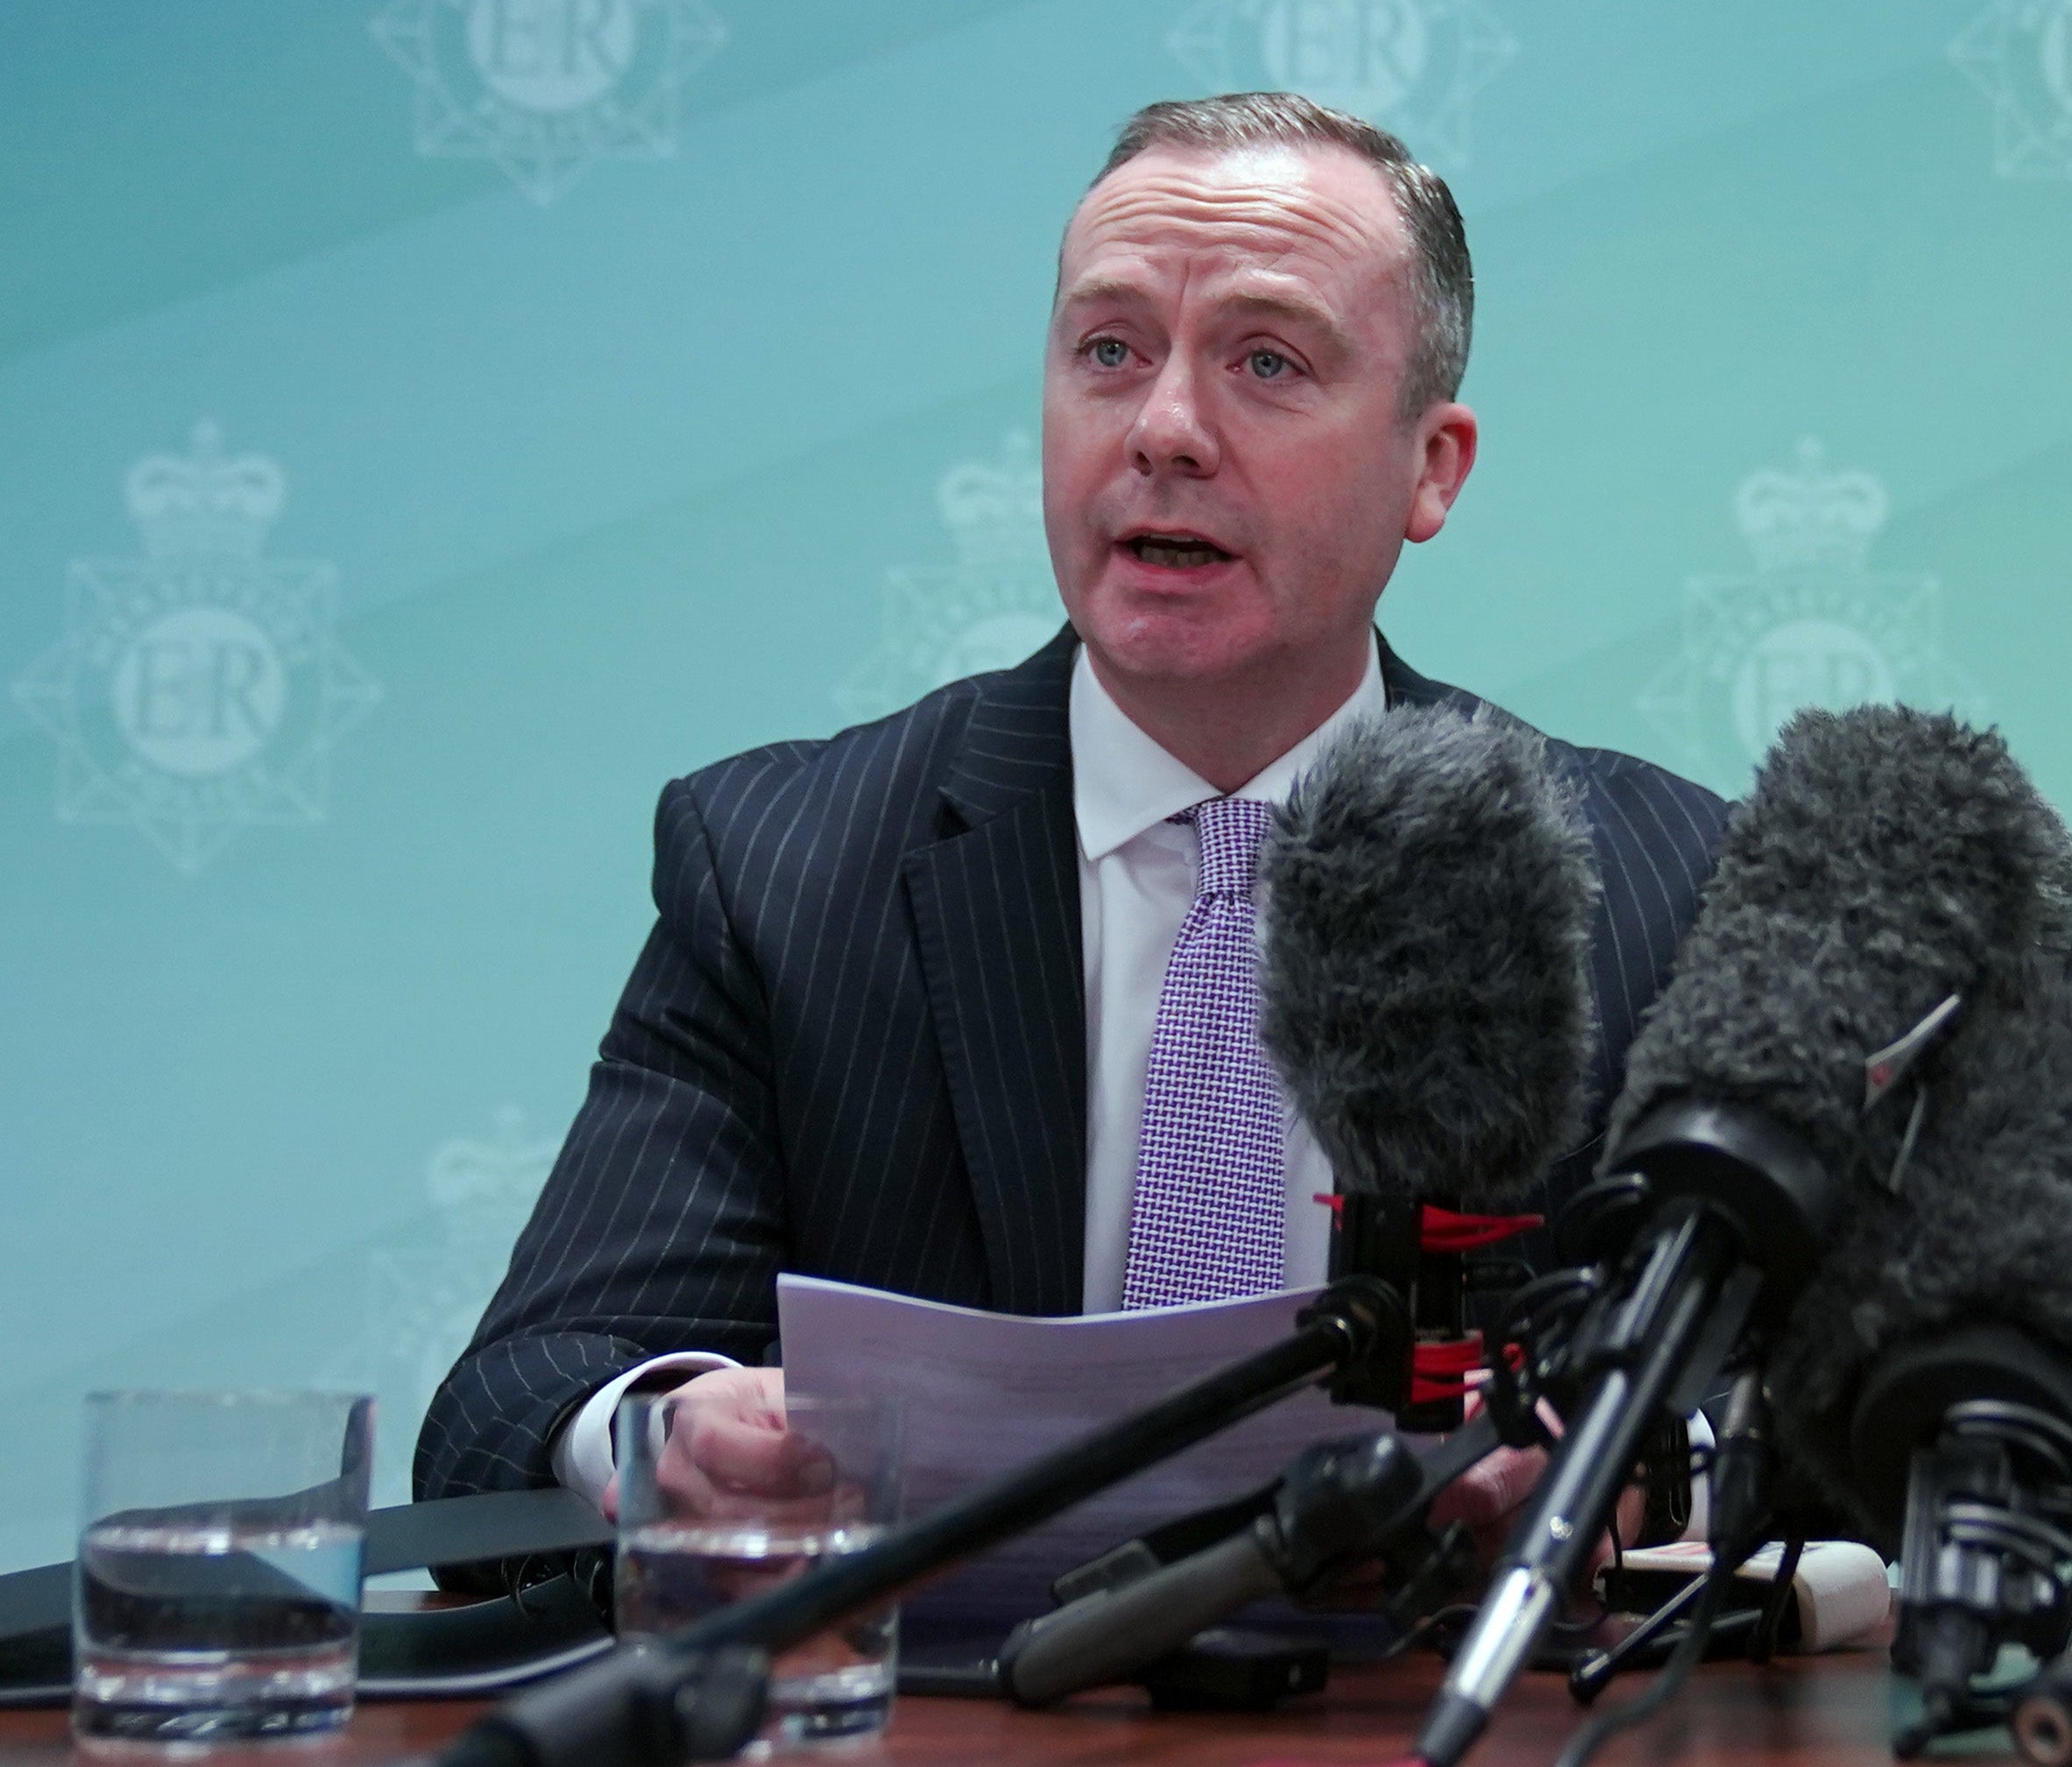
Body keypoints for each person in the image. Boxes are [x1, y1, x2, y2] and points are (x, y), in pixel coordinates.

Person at [416, 94, 1724, 1570]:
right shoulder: (783, 865)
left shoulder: (1664, 887)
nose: (1162, 429)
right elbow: (517, 1396)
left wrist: (1643, 1461)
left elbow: (1893, 1413)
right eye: (1108, 351)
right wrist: (670, 1432)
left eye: (1267, 362)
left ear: (1433, 466)